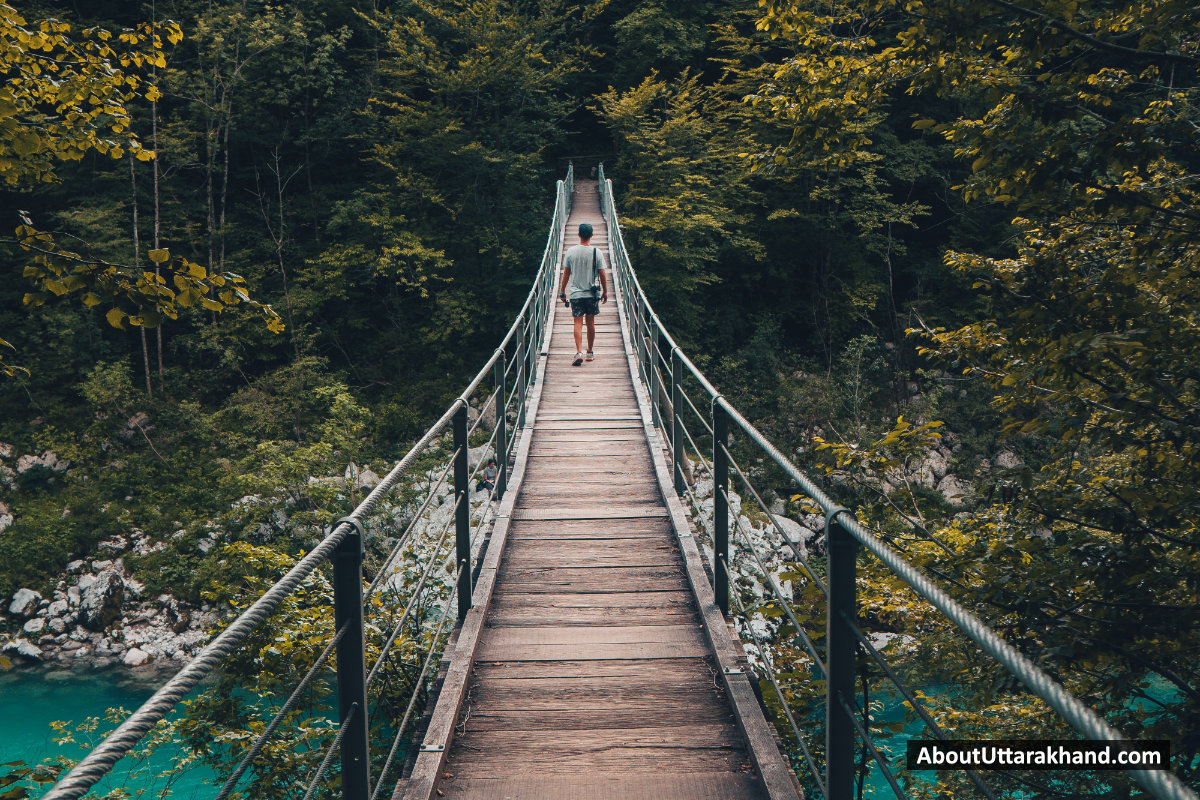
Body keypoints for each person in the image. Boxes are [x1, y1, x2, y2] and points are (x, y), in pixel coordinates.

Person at [557, 222, 609, 366]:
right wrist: (605, 291)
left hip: (575, 294)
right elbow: (602, 273)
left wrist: (562, 291)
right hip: (591, 295)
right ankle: (590, 352)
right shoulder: (596, 252)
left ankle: (579, 352)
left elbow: (566, 273)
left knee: (577, 323)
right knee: (590, 323)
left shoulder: (571, 252)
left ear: (578, 234)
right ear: (592, 235)